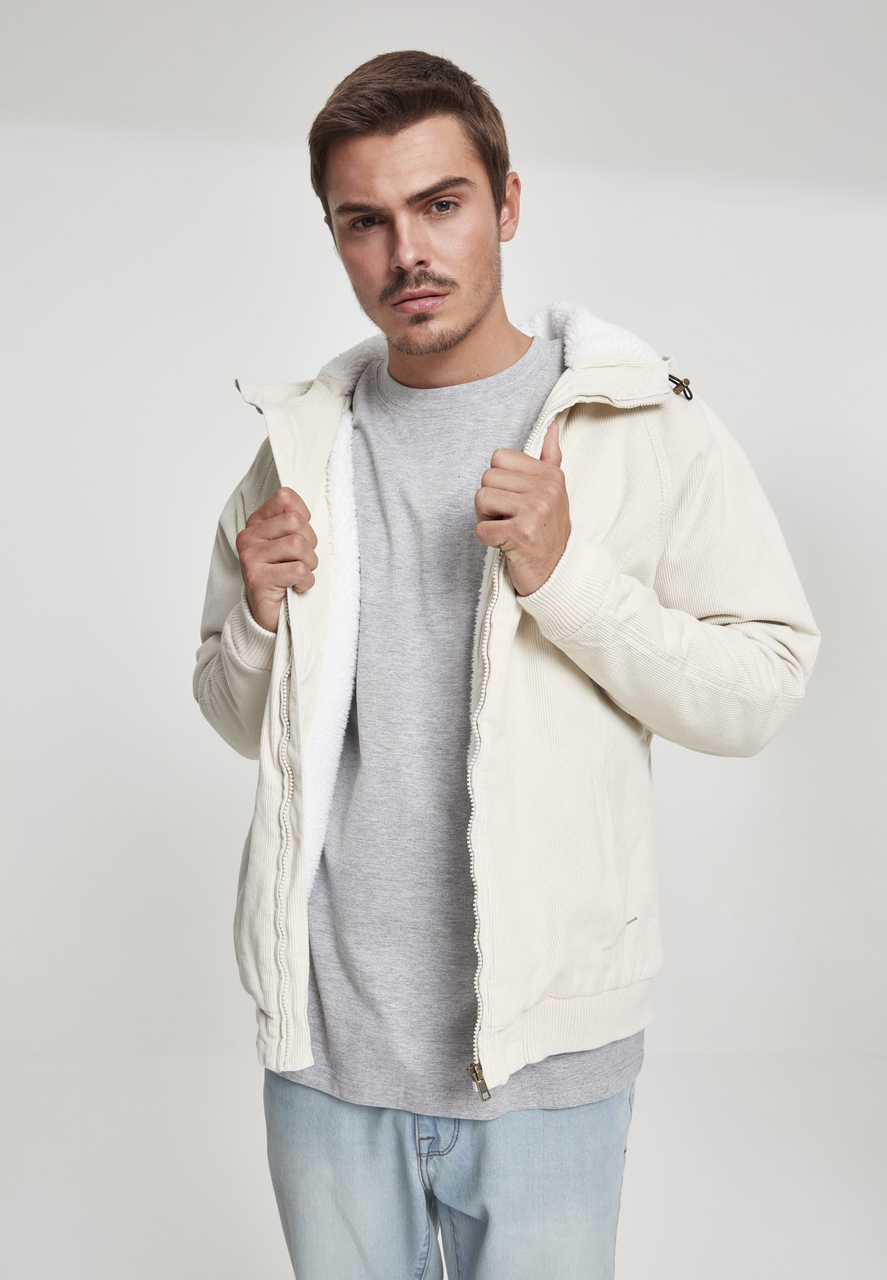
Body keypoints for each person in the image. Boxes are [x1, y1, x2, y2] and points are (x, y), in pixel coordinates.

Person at [193, 50, 819, 1280]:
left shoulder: (641, 427)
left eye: (440, 204)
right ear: (335, 237)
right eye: (364, 221)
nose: (406, 253)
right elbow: (231, 711)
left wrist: (566, 577)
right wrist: (258, 618)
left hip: (544, 1062)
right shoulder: (297, 447)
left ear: (507, 203)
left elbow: (763, 684)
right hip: (326, 1051)